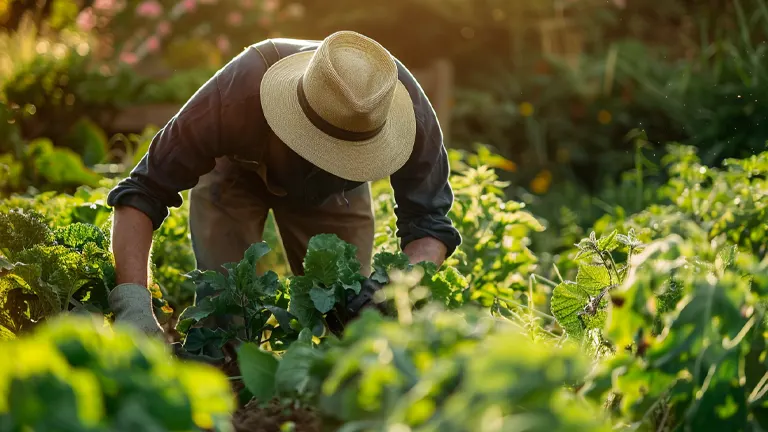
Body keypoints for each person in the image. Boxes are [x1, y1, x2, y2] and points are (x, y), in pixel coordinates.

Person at [106, 30, 462, 336]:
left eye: (342, 151)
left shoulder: (396, 106)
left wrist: (392, 288)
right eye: (318, 146)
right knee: (226, 315)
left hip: (336, 193)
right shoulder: (238, 93)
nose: (323, 157)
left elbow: (429, 226)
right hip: (236, 174)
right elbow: (143, 191)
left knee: (352, 315)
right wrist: (133, 306)